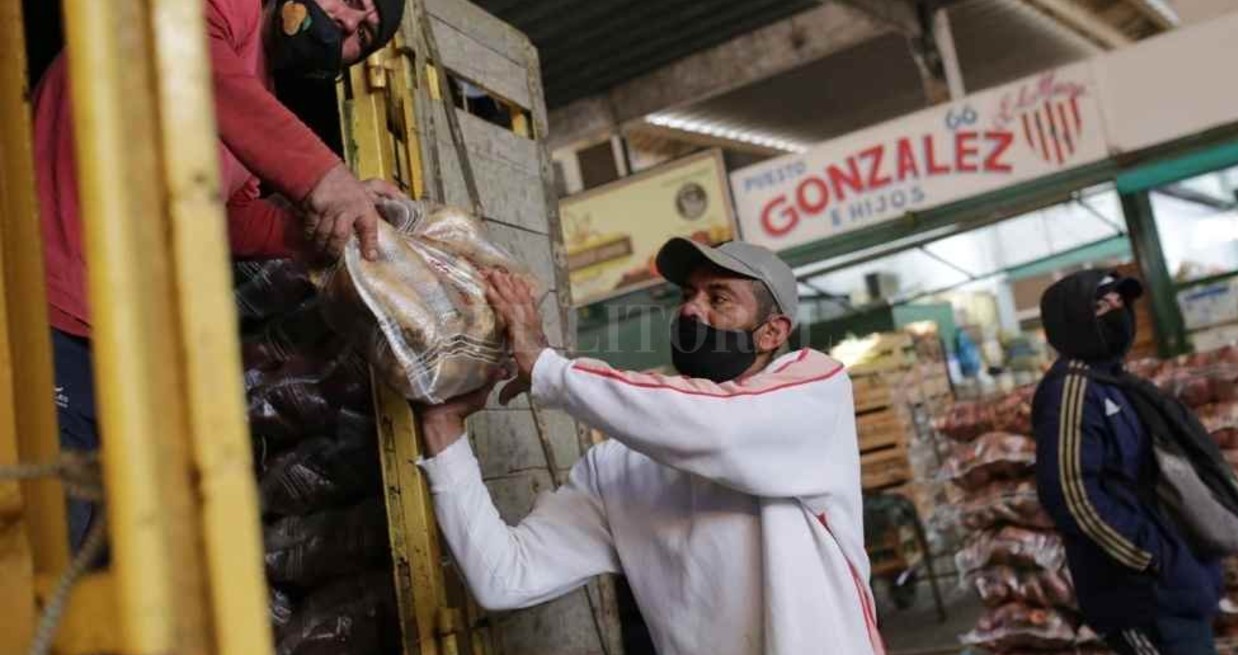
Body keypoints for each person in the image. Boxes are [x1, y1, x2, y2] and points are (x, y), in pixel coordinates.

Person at [33, 0, 407, 548]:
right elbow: (184, 50)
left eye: (364, 35)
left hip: (104, 340)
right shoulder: (228, 11)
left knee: (76, 541)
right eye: (352, 3)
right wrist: (322, 176)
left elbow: (225, 217)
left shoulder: (258, 92)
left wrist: (321, 228)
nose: (348, 26)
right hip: (42, 296)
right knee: (39, 521)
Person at [414, 238, 886, 655]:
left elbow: (716, 428)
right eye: (687, 296)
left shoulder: (813, 391)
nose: (690, 310)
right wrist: (443, 430)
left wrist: (545, 368)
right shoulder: (616, 468)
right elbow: (505, 578)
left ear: (772, 332)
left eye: (718, 297)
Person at [1033, 270, 1223, 655]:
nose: (1119, 311)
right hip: (1139, 595)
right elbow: (1073, 496)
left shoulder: (1115, 381)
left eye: (1121, 302)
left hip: (1173, 585)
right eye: (1103, 305)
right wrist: (1148, 556)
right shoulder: (1071, 390)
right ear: (1074, 321)